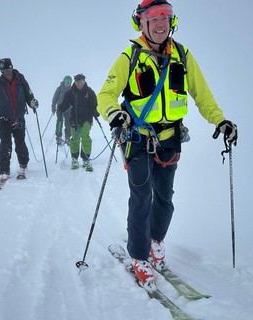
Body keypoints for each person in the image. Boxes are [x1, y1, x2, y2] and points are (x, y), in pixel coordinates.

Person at [97, 0, 237, 289]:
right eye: (153, 17)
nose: (161, 22)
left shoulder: (183, 56)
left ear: (172, 21)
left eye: (166, 16)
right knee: (141, 198)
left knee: (164, 198)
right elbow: (106, 95)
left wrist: (220, 120)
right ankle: (138, 256)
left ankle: (155, 240)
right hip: (137, 138)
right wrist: (115, 114)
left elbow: (203, 95)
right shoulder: (130, 56)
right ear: (141, 23)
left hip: (170, 139)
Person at [0, 58, 39, 180]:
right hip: (4, 118)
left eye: (8, 70)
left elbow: (29, 94)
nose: (6, 73)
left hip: (19, 118)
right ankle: (4, 170)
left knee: (20, 142)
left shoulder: (21, 80)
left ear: (12, 68)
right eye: (3, 71)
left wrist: (32, 103)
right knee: (5, 144)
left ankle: (23, 165)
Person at [58, 74, 99, 171]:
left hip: (87, 119)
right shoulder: (71, 92)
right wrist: (60, 108)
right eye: (77, 82)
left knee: (85, 137)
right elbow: (65, 103)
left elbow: (94, 104)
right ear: (75, 82)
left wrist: (95, 112)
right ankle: (74, 159)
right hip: (74, 119)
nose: (79, 84)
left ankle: (85, 159)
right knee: (75, 138)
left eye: (81, 81)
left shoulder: (89, 92)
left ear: (84, 81)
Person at [52, 75, 73, 145]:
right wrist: (53, 107)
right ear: (64, 81)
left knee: (68, 123)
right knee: (59, 122)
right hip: (60, 108)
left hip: (68, 109)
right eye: (67, 81)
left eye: (70, 81)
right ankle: (58, 137)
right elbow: (55, 98)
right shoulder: (59, 88)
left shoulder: (72, 89)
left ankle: (67, 137)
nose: (68, 83)